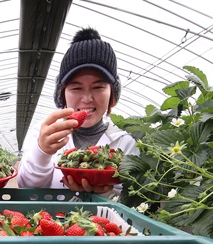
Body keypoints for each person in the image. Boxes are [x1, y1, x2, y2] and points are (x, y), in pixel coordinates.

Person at [17, 27, 138, 196]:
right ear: (62, 93)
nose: (87, 98)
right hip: (52, 219)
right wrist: (42, 151)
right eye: (76, 88)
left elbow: (130, 197)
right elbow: (26, 187)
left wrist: (104, 192)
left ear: (112, 93)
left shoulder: (125, 142)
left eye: (98, 87)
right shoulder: (43, 132)